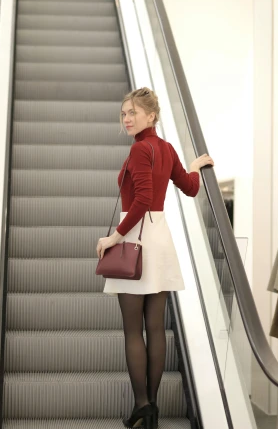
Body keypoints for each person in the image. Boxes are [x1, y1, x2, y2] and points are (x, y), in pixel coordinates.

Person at [96, 87, 214, 428]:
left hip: (135, 239)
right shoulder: (164, 148)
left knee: (134, 331)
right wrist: (193, 167)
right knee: (155, 328)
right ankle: (153, 408)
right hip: (159, 240)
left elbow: (142, 199)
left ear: (152, 116)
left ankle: (142, 405)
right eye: (124, 114)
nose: (127, 119)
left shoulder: (139, 150)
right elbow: (190, 187)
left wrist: (113, 237)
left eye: (133, 112)